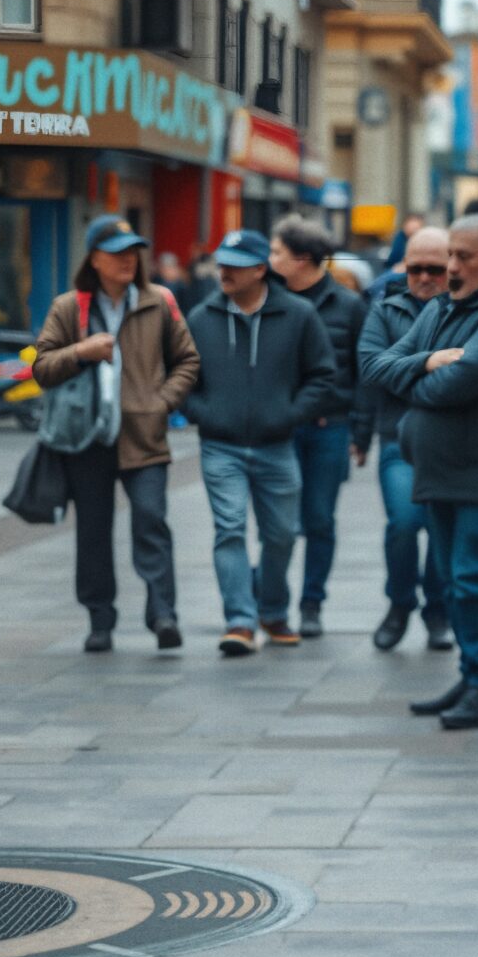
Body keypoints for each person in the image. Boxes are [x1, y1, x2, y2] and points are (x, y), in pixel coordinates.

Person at [366, 213, 478, 730]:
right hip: (438, 469)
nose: (452, 266)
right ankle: (473, 674)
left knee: (473, 578)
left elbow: (453, 385)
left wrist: (418, 374)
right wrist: (428, 362)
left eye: (464, 257)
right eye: (451, 257)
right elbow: (376, 366)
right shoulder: (445, 306)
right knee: (456, 579)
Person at [32, 216, 201, 651]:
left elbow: (188, 360)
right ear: (94, 259)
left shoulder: (159, 301)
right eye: (117, 252)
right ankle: (100, 620)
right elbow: (42, 368)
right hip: (87, 439)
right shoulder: (70, 307)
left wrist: (161, 403)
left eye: (133, 251)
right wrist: (81, 352)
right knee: (93, 531)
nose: (128, 259)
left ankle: (163, 614)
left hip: (144, 436)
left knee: (151, 520)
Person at [184, 230, 336, 658]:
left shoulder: (299, 315)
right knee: (229, 529)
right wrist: (205, 414)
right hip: (221, 446)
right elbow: (180, 378)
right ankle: (240, 621)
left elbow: (322, 376)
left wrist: (288, 415)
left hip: (277, 446)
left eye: (234, 263)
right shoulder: (201, 318)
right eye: (222, 262)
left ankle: (272, 611)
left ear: (259, 269)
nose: (224, 271)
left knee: (283, 535)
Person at [267, 219, 368, 640]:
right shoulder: (267, 301)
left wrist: (361, 433)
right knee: (279, 523)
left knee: (320, 520)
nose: (270, 261)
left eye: (276, 253)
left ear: (302, 259)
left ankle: (311, 603)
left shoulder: (349, 305)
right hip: (278, 430)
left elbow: (365, 372)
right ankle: (270, 599)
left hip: (330, 428)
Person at [355, 225, 451, 652]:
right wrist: (431, 364)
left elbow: (472, 371)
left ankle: (437, 610)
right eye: (416, 269)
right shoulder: (385, 309)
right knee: (404, 524)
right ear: (403, 268)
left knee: (440, 527)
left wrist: (404, 368)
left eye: (435, 268)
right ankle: (399, 603)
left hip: (453, 440)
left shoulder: (465, 310)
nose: (425, 277)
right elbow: (371, 368)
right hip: (398, 438)